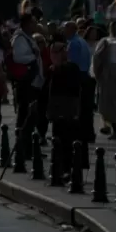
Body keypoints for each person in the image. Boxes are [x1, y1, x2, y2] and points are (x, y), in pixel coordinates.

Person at [45, 38, 83, 178]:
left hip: (69, 107)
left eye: (58, 52)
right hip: (57, 107)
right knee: (57, 138)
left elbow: (76, 89)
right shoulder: (51, 70)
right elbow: (49, 92)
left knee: (68, 138)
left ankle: (66, 168)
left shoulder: (71, 67)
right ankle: (56, 167)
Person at [7, 12, 44, 136]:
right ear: (27, 24)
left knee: (31, 113)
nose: (35, 25)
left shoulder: (28, 37)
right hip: (26, 82)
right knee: (26, 113)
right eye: (33, 22)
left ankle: (27, 143)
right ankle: (22, 144)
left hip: (32, 81)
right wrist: (33, 56)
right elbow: (18, 57)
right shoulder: (20, 38)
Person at [93, 21, 116, 137]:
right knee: (110, 101)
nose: (115, 30)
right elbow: (97, 57)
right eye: (113, 28)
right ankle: (114, 129)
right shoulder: (105, 41)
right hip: (108, 73)